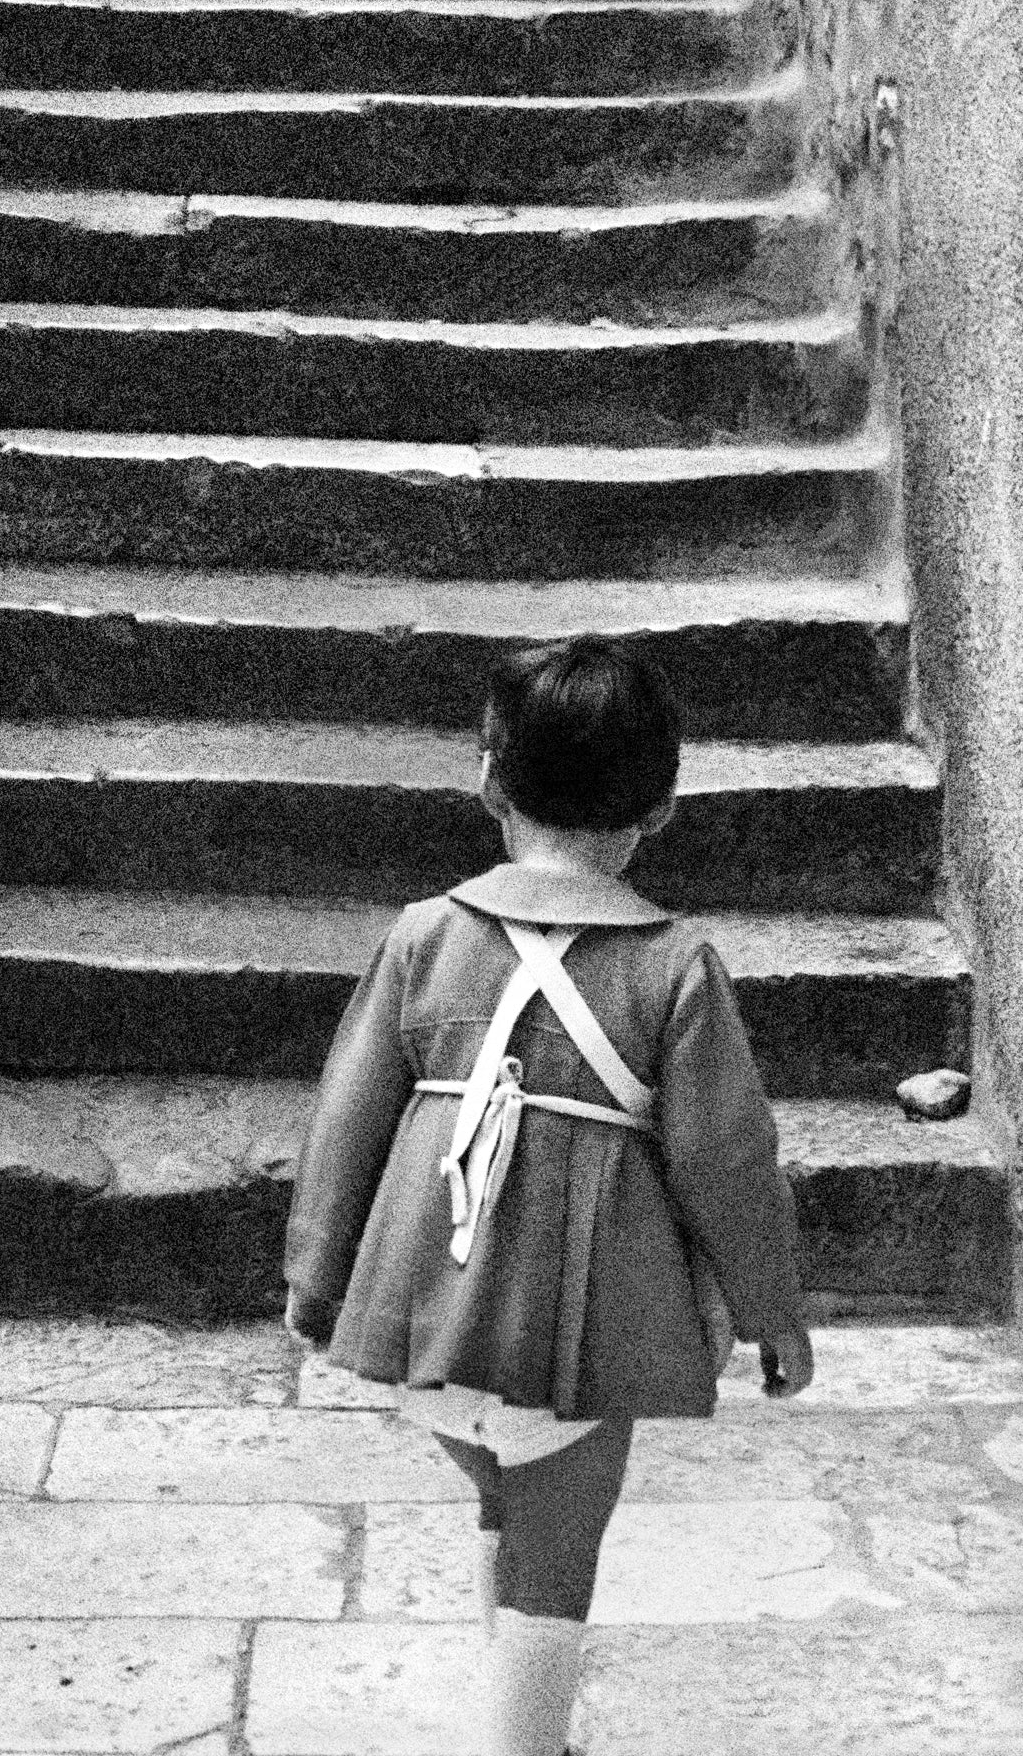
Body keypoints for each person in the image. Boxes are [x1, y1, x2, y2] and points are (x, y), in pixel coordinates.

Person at [284, 638, 813, 1756]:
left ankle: (520, 1722)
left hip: (428, 1320)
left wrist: (315, 1279)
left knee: (505, 1503)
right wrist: (771, 1313)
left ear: (488, 780)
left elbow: (345, 1120)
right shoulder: (675, 965)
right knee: (555, 1562)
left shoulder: (423, 936)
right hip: (575, 1343)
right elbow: (727, 1160)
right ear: (662, 807)